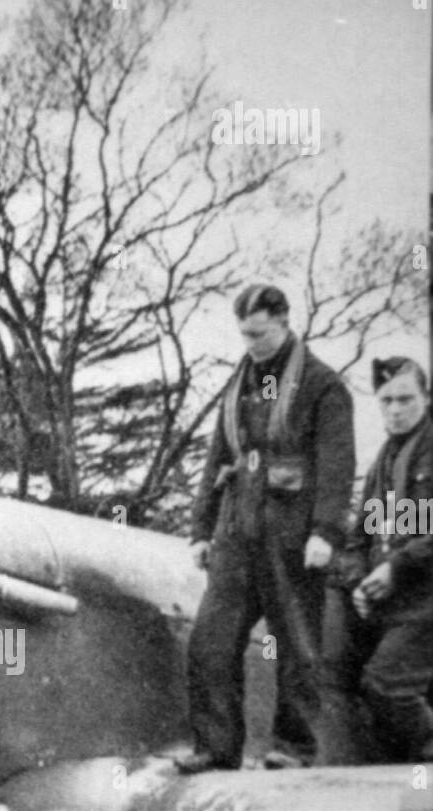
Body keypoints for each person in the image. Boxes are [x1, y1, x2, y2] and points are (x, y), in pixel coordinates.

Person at [177, 283, 357, 773]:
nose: (251, 343)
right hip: (238, 533)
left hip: (294, 538)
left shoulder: (323, 385)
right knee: (210, 644)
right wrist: (200, 528)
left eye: (259, 333)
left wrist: (326, 532)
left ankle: (292, 751)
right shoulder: (239, 385)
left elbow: (338, 465)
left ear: (283, 321)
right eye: (245, 334)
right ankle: (216, 749)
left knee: (298, 648)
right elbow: (218, 457)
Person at [317, 357, 433, 764]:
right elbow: (362, 535)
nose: (395, 410)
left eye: (405, 399)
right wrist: (361, 579)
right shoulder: (385, 460)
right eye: (386, 401)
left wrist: (397, 566)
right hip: (395, 602)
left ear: (427, 397)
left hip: (426, 601)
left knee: (388, 685)